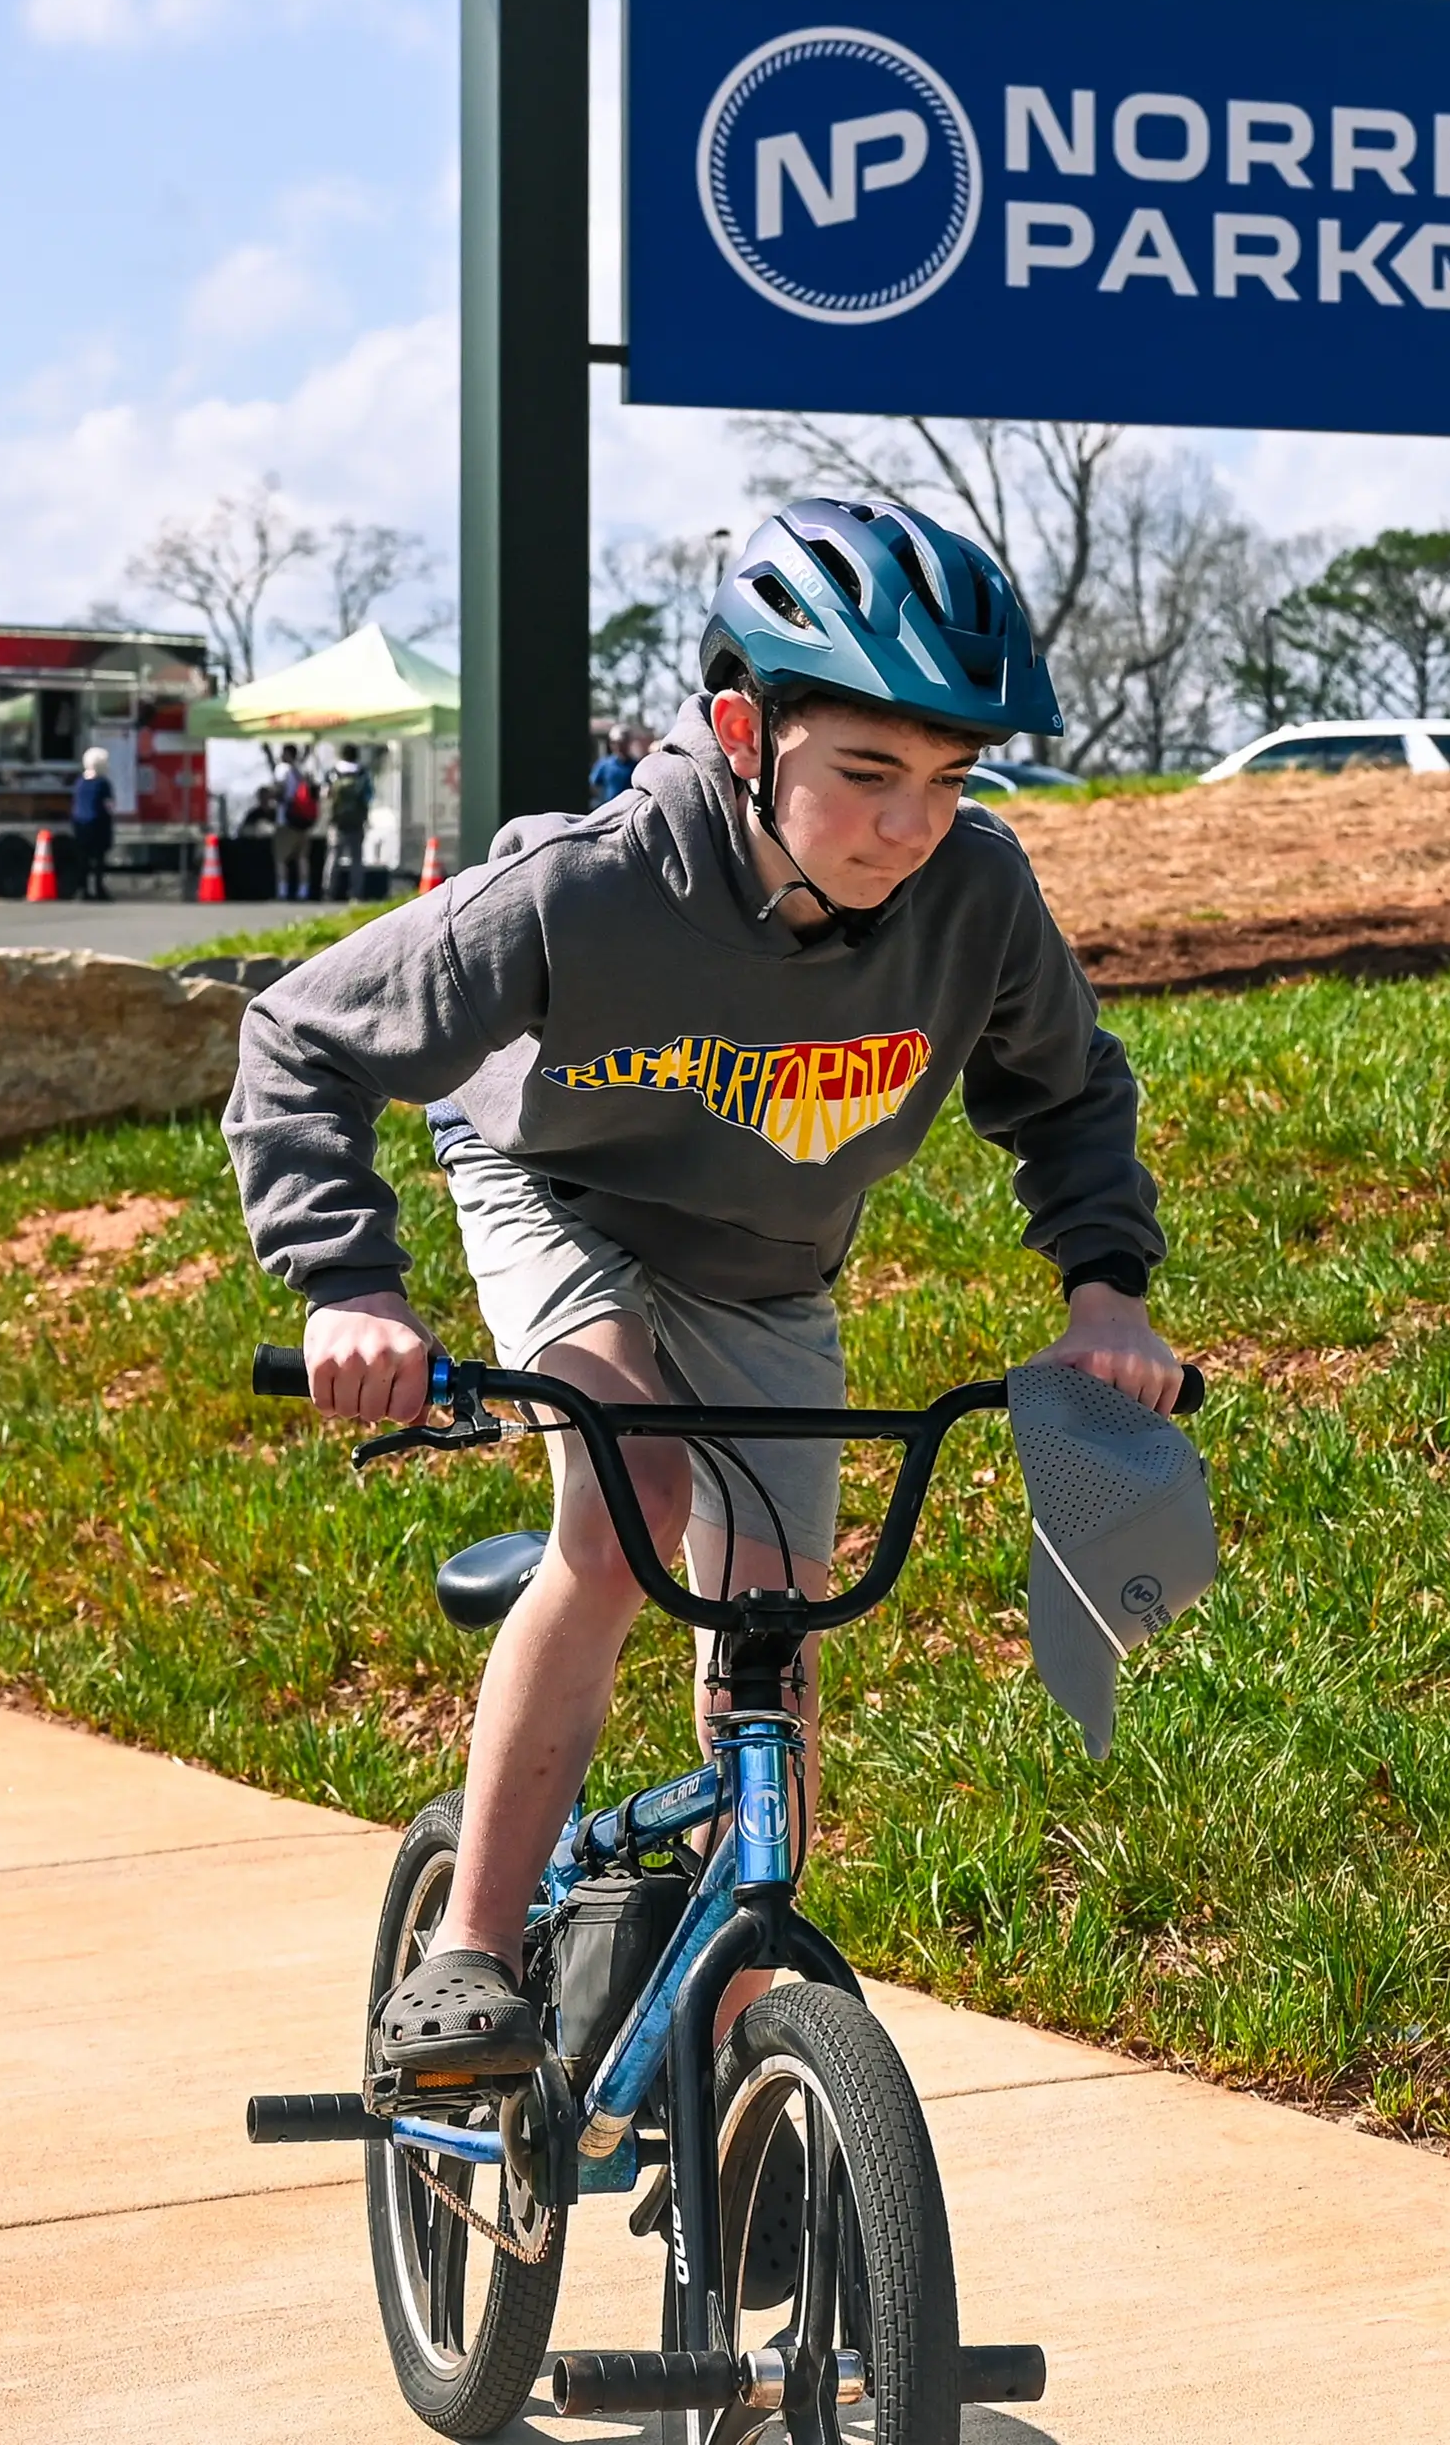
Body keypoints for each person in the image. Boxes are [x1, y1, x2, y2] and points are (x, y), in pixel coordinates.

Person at [224, 497, 1179, 2079]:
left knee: (773, 1626)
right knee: (634, 1502)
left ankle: (750, 2061)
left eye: (949, 780)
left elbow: (1069, 1091)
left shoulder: (977, 900)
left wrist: (1106, 1290)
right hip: (558, 1195)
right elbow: (303, 1036)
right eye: (865, 773)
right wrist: (350, 1286)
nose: (907, 825)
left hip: (766, 1268)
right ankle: (469, 1949)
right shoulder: (588, 885)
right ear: (745, 729)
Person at [271, 744, 319, 903]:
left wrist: (274, 797)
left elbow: (279, 790)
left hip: (286, 821)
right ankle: (303, 890)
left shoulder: (282, 769)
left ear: (286, 754)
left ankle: (283, 890)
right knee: (302, 858)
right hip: (303, 821)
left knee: (281, 859)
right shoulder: (300, 772)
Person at [325, 745, 374, 903]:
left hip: (337, 822)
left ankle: (329, 891)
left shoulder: (333, 772)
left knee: (334, 857)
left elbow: (326, 794)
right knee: (357, 859)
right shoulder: (362, 773)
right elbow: (369, 795)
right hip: (356, 822)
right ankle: (356, 893)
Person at [70, 746, 115, 902]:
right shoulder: (103, 783)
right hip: (98, 825)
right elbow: (109, 806)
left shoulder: (80, 782)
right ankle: (99, 890)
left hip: (79, 825)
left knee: (83, 859)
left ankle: (82, 890)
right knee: (98, 860)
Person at [588, 722, 641, 805]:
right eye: (614, 743)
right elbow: (593, 785)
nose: (618, 746)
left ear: (628, 743)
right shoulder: (604, 765)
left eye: (622, 742)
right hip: (608, 809)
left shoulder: (637, 766)